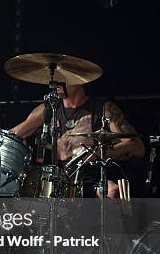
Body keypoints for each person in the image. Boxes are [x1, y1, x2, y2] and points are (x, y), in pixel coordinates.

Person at [11, 84, 145, 198]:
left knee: (111, 190)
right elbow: (14, 134)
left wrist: (101, 152)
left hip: (90, 180)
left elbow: (137, 146)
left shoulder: (103, 109)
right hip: (53, 180)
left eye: (63, 80)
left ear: (80, 81)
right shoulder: (47, 109)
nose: (57, 85)